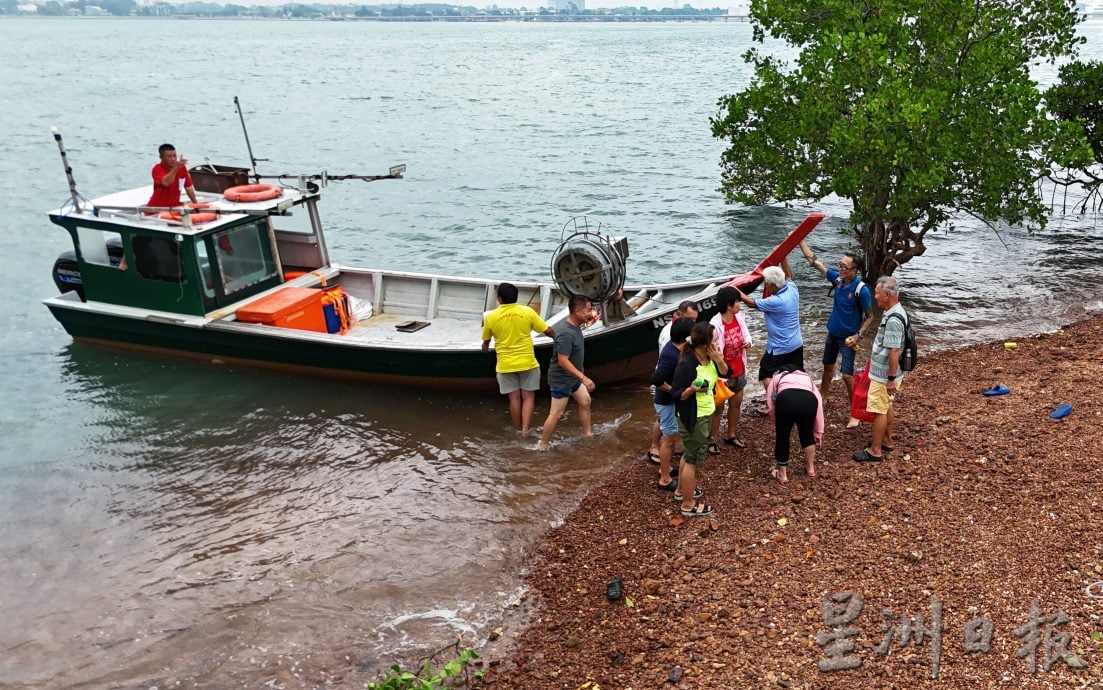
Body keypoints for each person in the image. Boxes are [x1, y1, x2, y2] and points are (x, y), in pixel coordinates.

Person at [797, 241, 873, 403]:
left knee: (847, 375)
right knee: (828, 366)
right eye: (840, 265)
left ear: (854, 270)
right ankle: (823, 397)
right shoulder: (838, 280)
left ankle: (854, 408)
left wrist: (858, 336)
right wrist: (800, 241)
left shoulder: (862, 290)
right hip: (832, 334)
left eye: (844, 267)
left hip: (849, 339)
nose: (840, 269)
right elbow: (816, 263)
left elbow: (870, 317)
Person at [670, 322, 728, 517]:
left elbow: (726, 372)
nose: (718, 342)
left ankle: (681, 491)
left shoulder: (710, 360)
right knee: (693, 459)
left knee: (689, 455)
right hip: (693, 418)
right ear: (705, 343)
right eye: (715, 339)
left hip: (706, 414)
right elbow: (677, 395)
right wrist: (692, 389)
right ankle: (688, 504)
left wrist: (719, 359)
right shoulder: (686, 365)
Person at [482, 282, 555, 434]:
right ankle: (525, 431)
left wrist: (485, 348)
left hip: (505, 365)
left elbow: (486, 342)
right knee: (528, 397)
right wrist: (559, 337)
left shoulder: (491, 317)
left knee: (514, 399)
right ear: (516, 297)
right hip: (528, 363)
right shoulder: (527, 312)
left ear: (499, 299)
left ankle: (516, 428)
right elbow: (547, 330)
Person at [736, 258, 803, 413]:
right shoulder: (792, 288)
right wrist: (784, 257)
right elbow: (789, 275)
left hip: (780, 347)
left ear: (773, 285)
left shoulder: (776, 301)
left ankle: (773, 404)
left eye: (766, 283)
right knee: (794, 374)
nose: (765, 286)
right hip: (796, 343)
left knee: (765, 373)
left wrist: (735, 290)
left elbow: (751, 303)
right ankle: (794, 399)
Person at [853, 277, 907, 463]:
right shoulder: (895, 311)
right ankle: (886, 440)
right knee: (886, 404)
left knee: (879, 410)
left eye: (877, 293)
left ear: (888, 294)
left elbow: (894, 350)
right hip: (889, 372)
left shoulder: (893, 318)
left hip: (885, 374)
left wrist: (890, 378)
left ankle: (875, 450)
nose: (874, 296)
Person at [538, 295, 596, 450]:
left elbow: (592, 317)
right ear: (578, 311)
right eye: (588, 310)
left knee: (586, 401)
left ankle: (587, 434)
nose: (591, 313)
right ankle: (542, 446)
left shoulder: (576, 325)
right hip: (562, 379)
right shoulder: (565, 334)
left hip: (573, 377)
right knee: (557, 414)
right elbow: (563, 361)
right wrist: (584, 378)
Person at [647, 300, 699, 464]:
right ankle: (659, 459)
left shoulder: (680, 345)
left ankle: (669, 457)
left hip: (673, 392)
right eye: (691, 319)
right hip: (666, 393)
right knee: (665, 430)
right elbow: (656, 377)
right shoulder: (670, 346)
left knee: (671, 427)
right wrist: (675, 390)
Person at [650, 317, 694, 491]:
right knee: (668, 440)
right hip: (666, 402)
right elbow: (656, 379)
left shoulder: (678, 348)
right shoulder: (670, 355)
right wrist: (676, 391)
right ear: (686, 337)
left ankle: (666, 467)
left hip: (670, 401)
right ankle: (665, 479)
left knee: (671, 436)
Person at [708, 286, 752, 451]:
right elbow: (712, 349)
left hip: (739, 368)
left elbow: (747, 335)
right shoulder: (715, 324)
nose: (740, 304)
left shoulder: (739, 317)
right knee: (718, 407)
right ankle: (713, 440)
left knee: (736, 403)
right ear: (729, 305)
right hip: (722, 373)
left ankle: (731, 435)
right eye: (737, 301)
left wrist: (748, 342)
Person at [765, 369, 824, 483]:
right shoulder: (808, 378)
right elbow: (819, 403)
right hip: (808, 400)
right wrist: (818, 430)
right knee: (807, 434)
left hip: (786, 399)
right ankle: (810, 468)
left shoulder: (778, 377)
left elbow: (771, 404)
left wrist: (776, 420)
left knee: (783, 437)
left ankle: (782, 474)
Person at [146, 143, 197, 209]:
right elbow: (166, 182)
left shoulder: (182, 167)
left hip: (174, 206)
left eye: (174, 156)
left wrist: (196, 204)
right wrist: (176, 168)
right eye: (169, 157)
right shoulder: (157, 169)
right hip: (157, 207)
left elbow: (188, 187)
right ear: (161, 157)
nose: (173, 159)